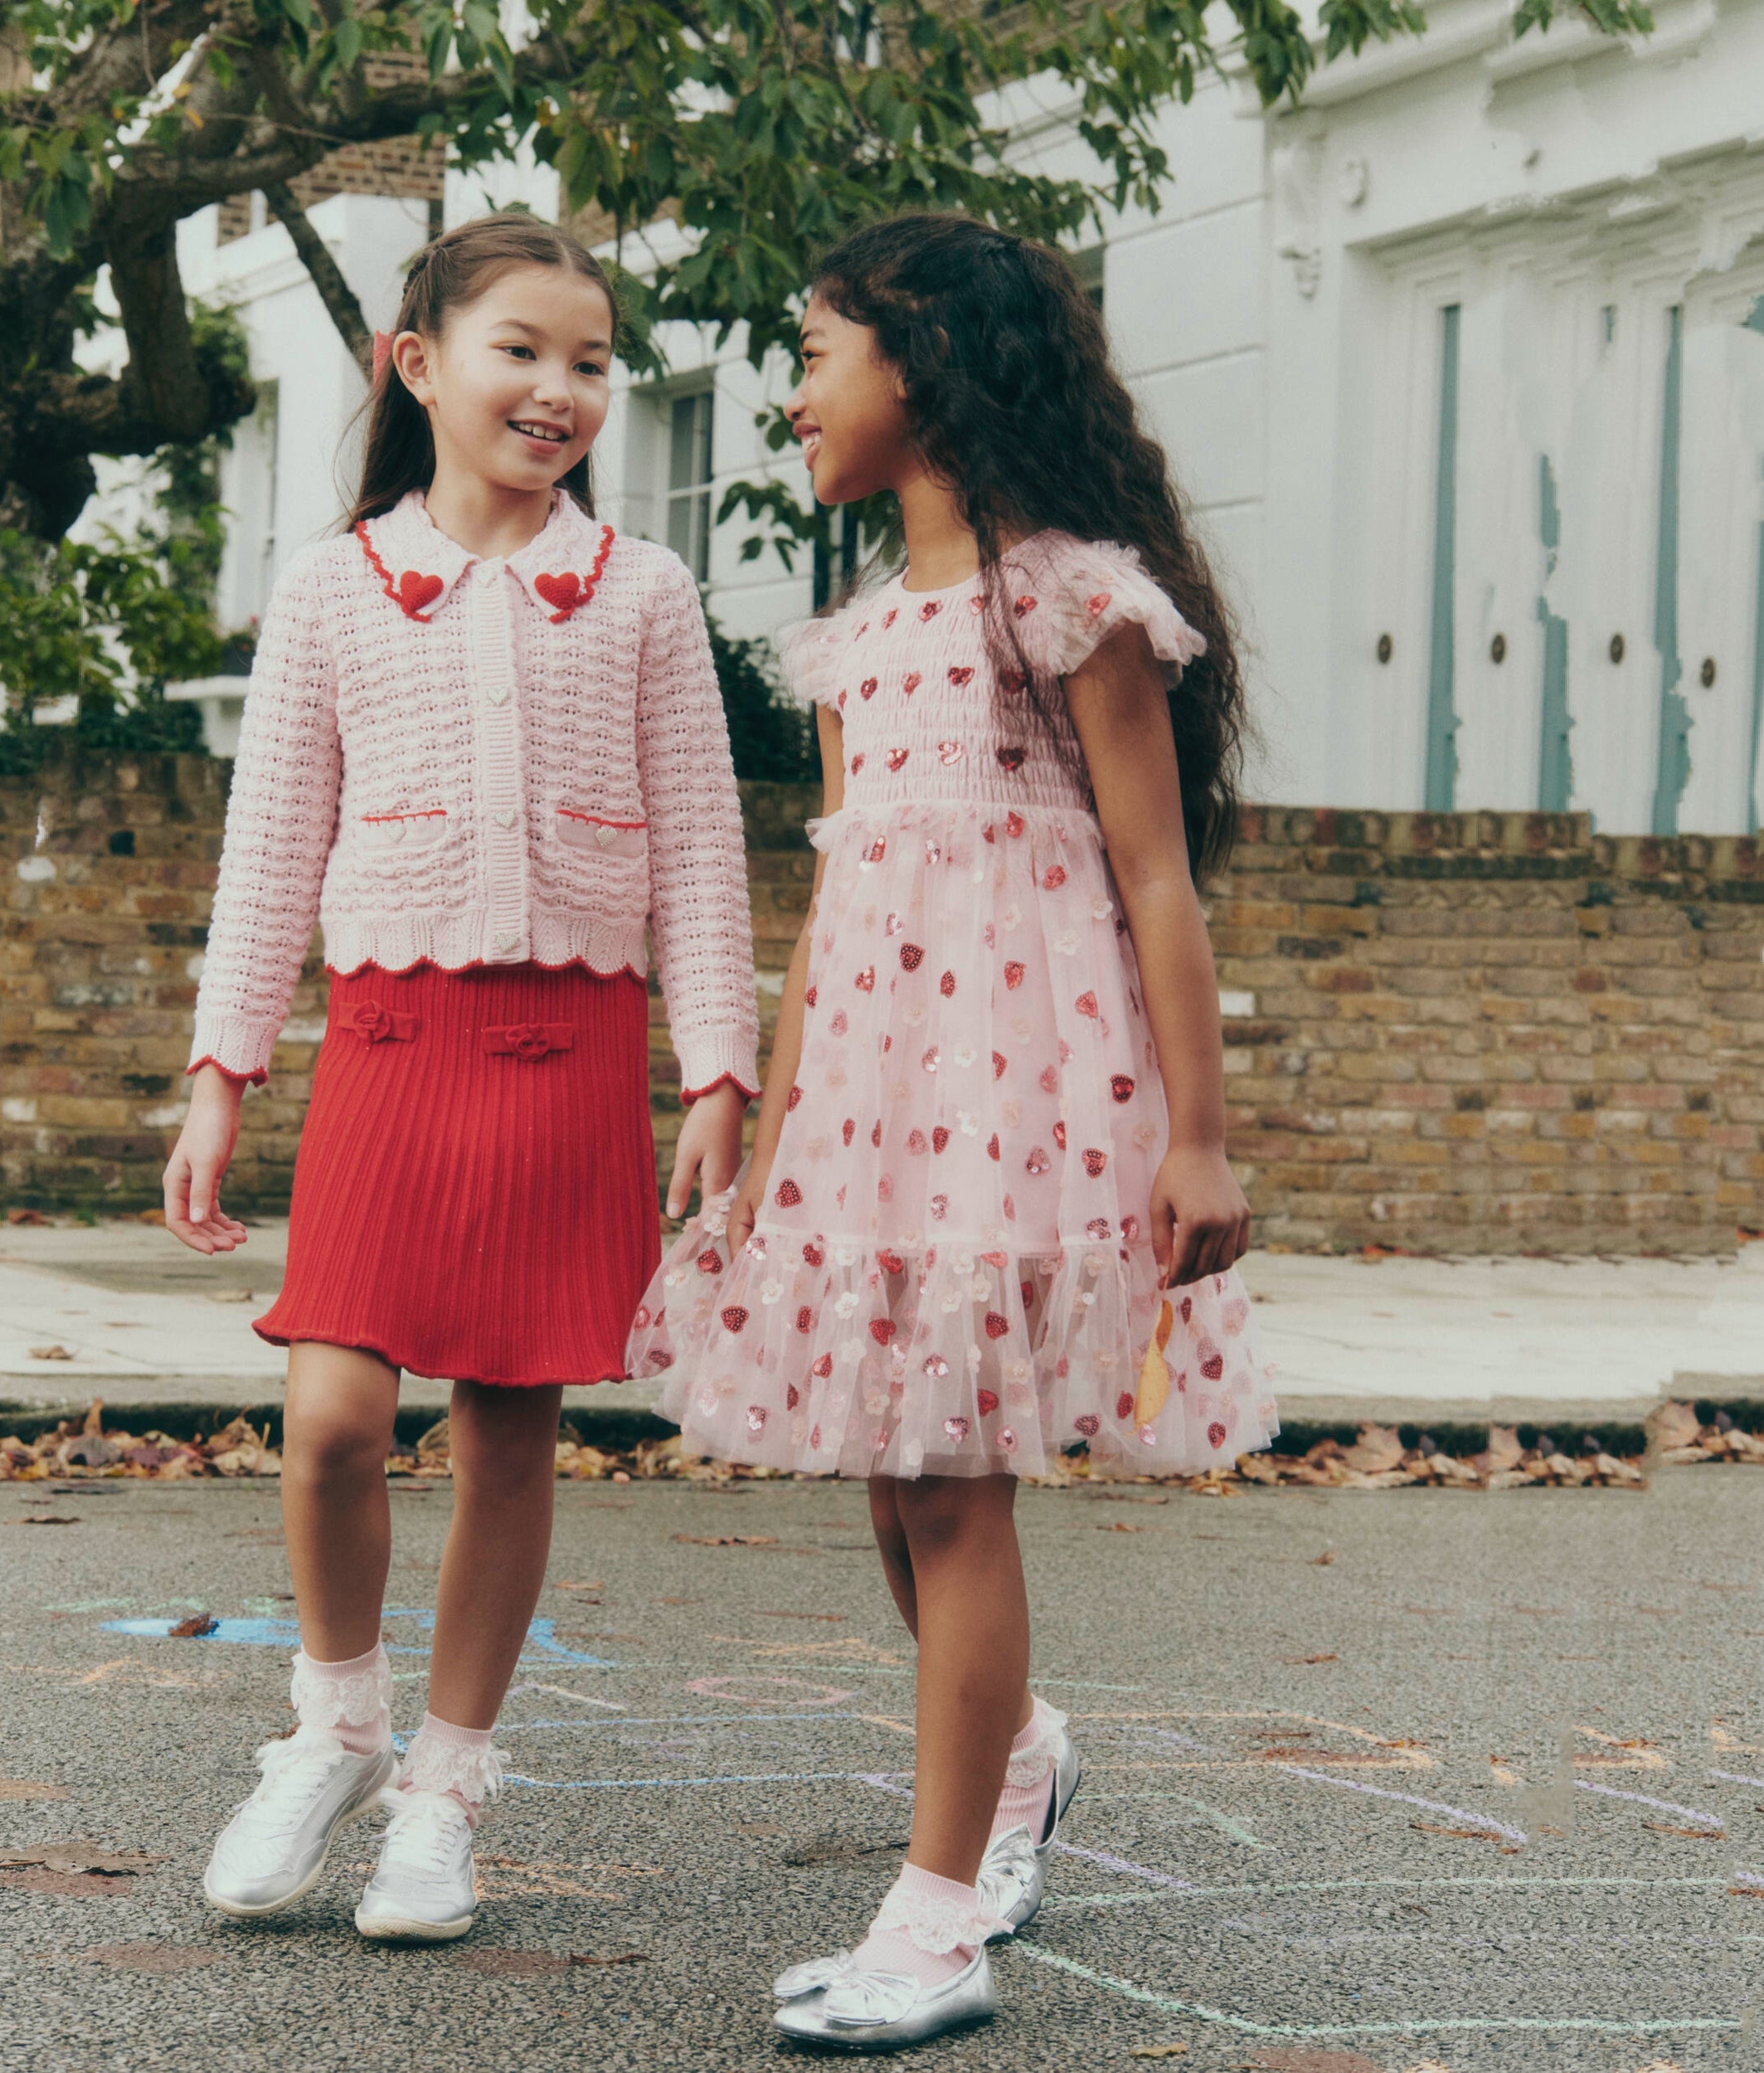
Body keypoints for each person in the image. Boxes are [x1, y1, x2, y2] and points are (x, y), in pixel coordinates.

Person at [630, 212, 1279, 2050]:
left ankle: (935, 1921)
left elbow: (1156, 879)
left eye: (815, 349)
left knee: (950, 1471)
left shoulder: (1069, 594)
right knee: (887, 1463)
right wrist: (762, 1130)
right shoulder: (854, 648)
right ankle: (1016, 1751)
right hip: (874, 1098)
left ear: (920, 363)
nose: (790, 391)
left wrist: (1198, 1139)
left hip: (1025, 1092)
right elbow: (832, 907)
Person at [165, 212, 757, 1943]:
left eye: (588, 361)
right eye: (521, 349)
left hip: (568, 1055)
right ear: (415, 365)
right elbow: (268, 850)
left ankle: (443, 1783)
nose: (558, 389)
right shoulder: (333, 589)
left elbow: (701, 855)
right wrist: (223, 1074)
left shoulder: (643, 590)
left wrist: (716, 1067)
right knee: (336, 1418)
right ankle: (333, 1723)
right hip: (390, 1048)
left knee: (510, 1432)